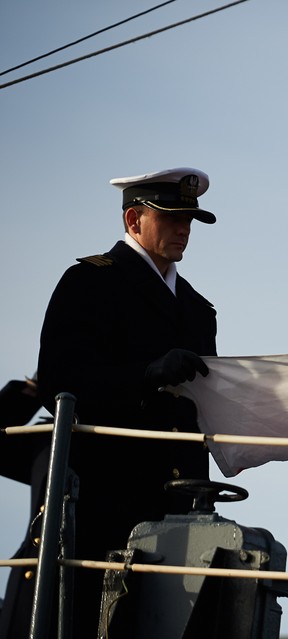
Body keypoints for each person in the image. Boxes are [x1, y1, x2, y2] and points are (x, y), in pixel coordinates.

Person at [1, 168, 218, 638]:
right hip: (104, 496)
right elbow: (62, 379)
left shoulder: (199, 310)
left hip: (175, 505)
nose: (185, 228)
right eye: (173, 217)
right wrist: (146, 374)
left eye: (190, 220)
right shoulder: (90, 281)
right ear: (133, 219)